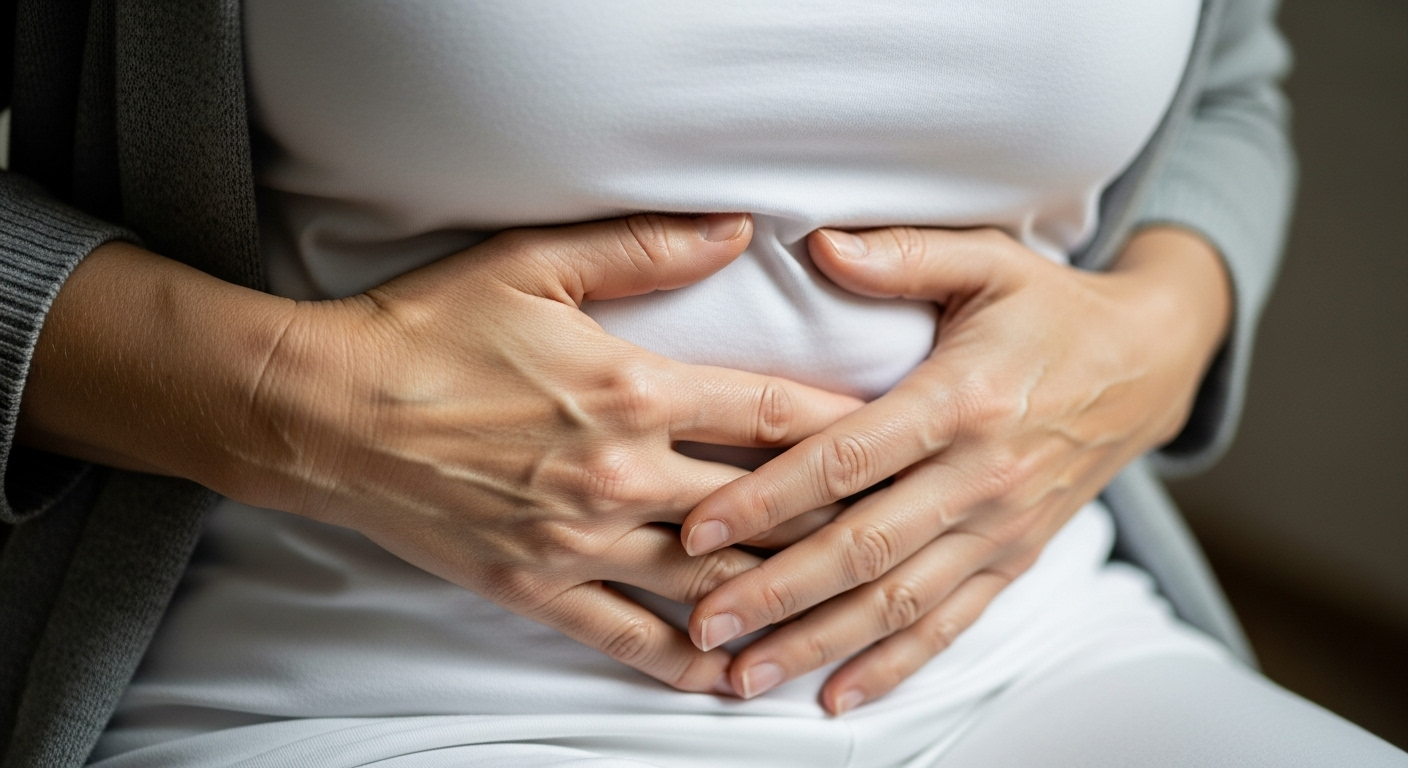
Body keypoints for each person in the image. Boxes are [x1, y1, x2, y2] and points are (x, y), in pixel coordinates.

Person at [0, 0, 1403, 766]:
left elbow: (1232, 79)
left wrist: (1153, 335)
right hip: (357, 692)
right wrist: (294, 402)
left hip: (1042, 660)